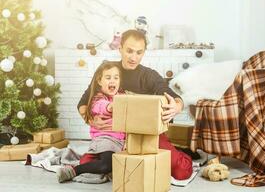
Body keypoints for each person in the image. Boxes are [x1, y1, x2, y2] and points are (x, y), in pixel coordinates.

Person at [77, 29, 193, 180]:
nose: (133, 57)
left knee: (181, 172)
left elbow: (173, 96)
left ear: (144, 52)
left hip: (145, 134)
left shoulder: (149, 75)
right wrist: (91, 120)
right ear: (120, 49)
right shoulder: (109, 72)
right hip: (114, 137)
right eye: (129, 51)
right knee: (86, 164)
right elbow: (83, 103)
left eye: (139, 52)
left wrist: (177, 106)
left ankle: (181, 153)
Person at [57, 62, 125, 183]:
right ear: (99, 81)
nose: (112, 81)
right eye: (108, 77)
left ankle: (90, 158)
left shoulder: (122, 96)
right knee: (106, 166)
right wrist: (111, 106)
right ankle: (73, 170)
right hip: (106, 139)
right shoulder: (98, 99)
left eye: (116, 77)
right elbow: (101, 107)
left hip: (121, 142)